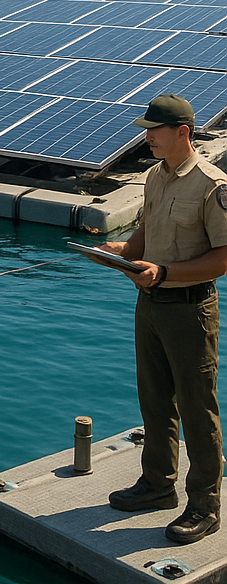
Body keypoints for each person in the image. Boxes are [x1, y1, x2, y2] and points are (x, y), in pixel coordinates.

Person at [100, 94, 227, 544]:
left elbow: (222, 258)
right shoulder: (155, 176)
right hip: (150, 305)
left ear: (183, 133)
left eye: (153, 130)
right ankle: (157, 485)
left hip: (190, 309)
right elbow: (148, 230)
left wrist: (166, 273)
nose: (146, 136)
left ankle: (205, 506)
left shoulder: (213, 185)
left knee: (197, 410)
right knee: (154, 402)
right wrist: (121, 254)